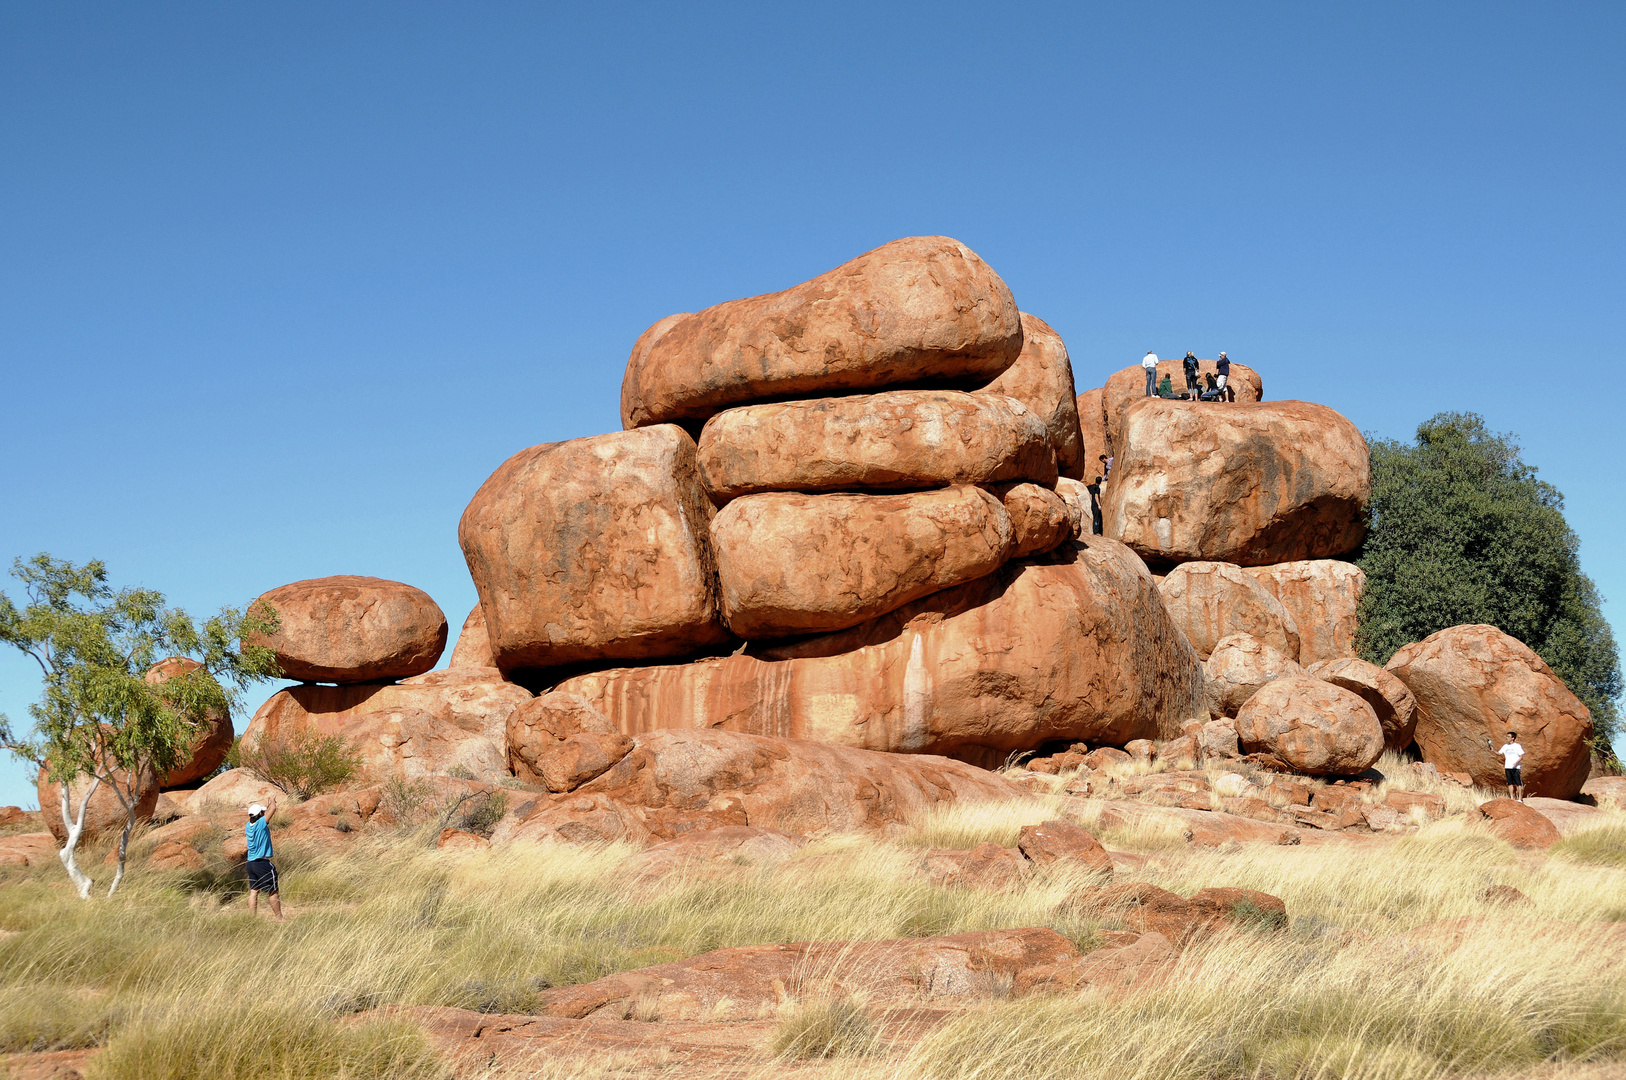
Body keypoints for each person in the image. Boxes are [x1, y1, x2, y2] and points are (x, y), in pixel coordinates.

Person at [245, 800, 285, 921]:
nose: (264, 813)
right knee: (273, 891)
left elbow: (267, 812)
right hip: (262, 863)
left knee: (254, 891)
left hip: (250, 863)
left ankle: (253, 919)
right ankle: (279, 919)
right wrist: (272, 800)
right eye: (262, 812)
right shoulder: (261, 823)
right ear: (260, 814)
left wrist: (265, 807)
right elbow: (273, 809)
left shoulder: (248, 825)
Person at [1489, 733, 1526, 802]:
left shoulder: (1517, 746)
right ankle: (1512, 798)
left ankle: (1520, 798)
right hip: (1508, 767)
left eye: (1508, 736)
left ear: (1513, 738)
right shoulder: (1505, 746)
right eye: (1507, 736)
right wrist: (1493, 750)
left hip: (1516, 767)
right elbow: (1499, 753)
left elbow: (1521, 756)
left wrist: (1516, 763)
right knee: (1510, 783)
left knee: (1518, 783)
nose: (1507, 738)